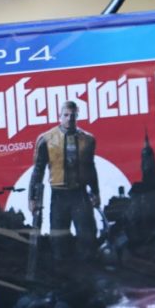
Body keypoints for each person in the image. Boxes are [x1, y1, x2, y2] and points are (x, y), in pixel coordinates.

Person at [28, 101, 100, 261]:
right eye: (66, 115)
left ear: (77, 116)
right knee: (58, 239)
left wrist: (95, 192)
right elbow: (38, 170)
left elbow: (90, 167)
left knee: (87, 237)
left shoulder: (87, 140)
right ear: (60, 116)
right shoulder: (46, 139)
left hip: (80, 194)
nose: (69, 118)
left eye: (73, 115)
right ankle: (61, 270)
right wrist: (32, 198)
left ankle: (89, 271)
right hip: (59, 195)